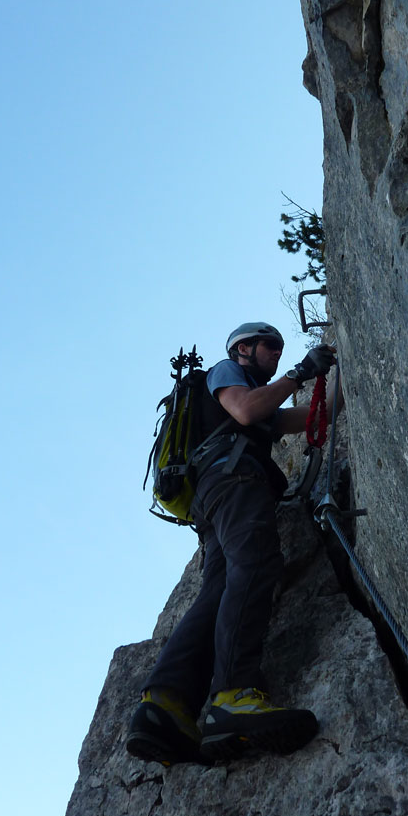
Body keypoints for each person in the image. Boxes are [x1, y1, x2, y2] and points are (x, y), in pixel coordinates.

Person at [126, 321, 340, 766]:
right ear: (243, 348)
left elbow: (306, 418)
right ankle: (234, 695)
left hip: (215, 495)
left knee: (218, 591)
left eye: (280, 348)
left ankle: (166, 704)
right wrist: (300, 372)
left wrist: (344, 387)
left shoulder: (260, 399)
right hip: (234, 478)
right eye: (269, 345)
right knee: (257, 564)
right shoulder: (227, 373)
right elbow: (244, 411)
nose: (276, 352)